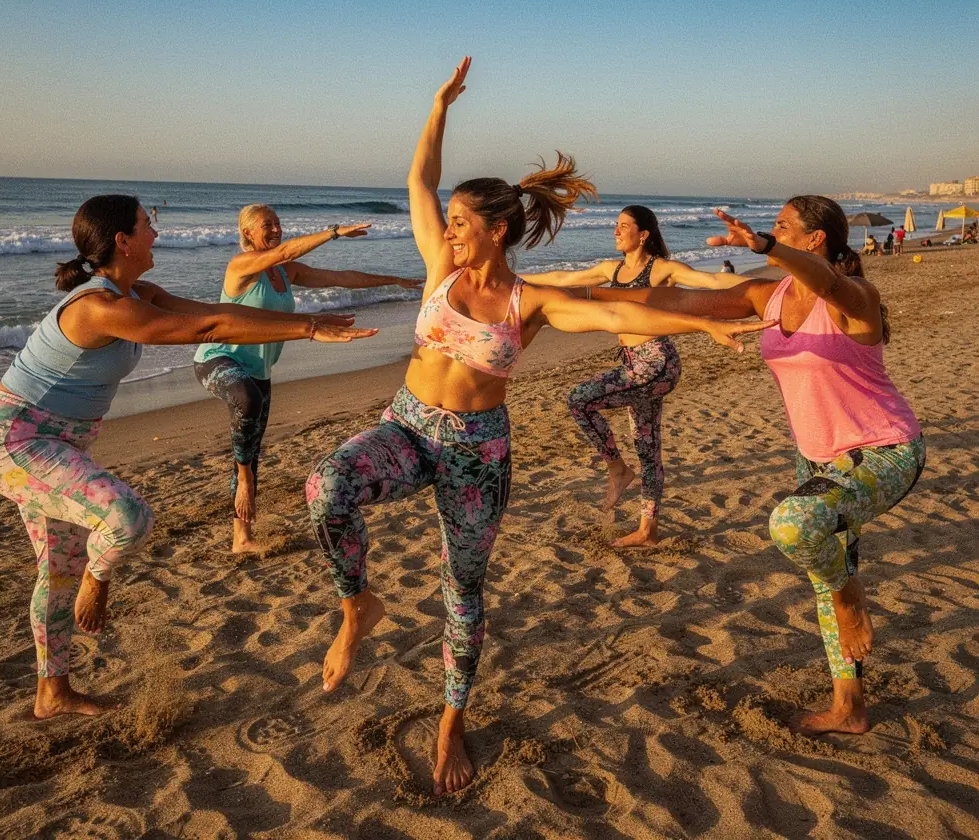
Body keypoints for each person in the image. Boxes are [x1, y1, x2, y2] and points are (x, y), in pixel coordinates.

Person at [304, 58, 772, 795]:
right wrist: (438, 107)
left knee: (465, 589)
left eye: (461, 223)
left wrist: (700, 324)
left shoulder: (533, 302)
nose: (447, 229)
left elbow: (623, 313)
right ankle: (357, 604)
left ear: (494, 232)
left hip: (477, 452)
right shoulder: (439, 266)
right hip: (407, 425)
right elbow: (418, 184)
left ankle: (452, 720)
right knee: (327, 486)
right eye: (449, 222)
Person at [0, 195, 375, 720]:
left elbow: (217, 313)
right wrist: (309, 329)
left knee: (57, 570)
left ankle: (53, 691)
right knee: (127, 518)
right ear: (123, 240)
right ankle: (98, 576)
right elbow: (205, 333)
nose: (155, 232)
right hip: (11, 438)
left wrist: (303, 324)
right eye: (147, 223)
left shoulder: (136, 291)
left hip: (57, 442)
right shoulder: (98, 306)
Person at [631, 196, 924, 737]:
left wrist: (763, 246)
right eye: (770, 228)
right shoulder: (771, 295)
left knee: (795, 527)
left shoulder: (854, 297)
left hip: (884, 450)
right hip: (817, 456)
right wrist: (568, 296)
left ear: (815, 240)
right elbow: (681, 300)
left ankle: (849, 595)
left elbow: (829, 285)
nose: (768, 232)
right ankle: (850, 707)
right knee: (824, 571)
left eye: (782, 227)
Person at [195, 206, 422, 553]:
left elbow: (342, 277)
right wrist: (333, 232)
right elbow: (284, 250)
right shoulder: (239, 268)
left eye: (277, 223)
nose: (275, 229)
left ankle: (242, 538)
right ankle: (243, 478)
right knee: (247, 403)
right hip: (218, 359)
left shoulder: (286, 272)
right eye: (266, 225)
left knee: (250, 450)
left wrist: (391, 280)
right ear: (248, 234)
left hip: (259, 369)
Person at [522, 207, 748, 547]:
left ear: (643, 235)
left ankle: (617, 469)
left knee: (579, 400)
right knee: (648, 447)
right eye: (615, 225)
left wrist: (768, 287)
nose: (616, 231)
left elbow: (713, 281)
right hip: (632, 366)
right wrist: (509, 280)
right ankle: (648, 529)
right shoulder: (609, 269)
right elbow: (562, 279)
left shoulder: (660, 269)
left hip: (656, 362)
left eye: (624, 226)